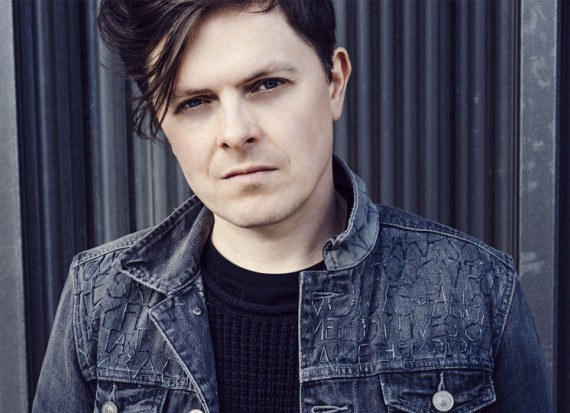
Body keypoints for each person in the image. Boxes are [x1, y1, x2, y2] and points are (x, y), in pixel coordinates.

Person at [33, 0, 552, 412]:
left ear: (334, 82)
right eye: (195, 101)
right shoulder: (98, 299)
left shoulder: (474, 289)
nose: (236, 133)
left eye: (267, 85)